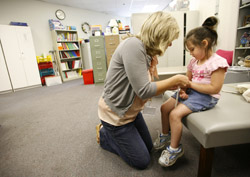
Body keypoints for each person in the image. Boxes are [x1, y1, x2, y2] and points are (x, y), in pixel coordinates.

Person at [96, 11, 190, 170]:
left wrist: (168, 85)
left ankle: (121, 135)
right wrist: (174, 80)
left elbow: (141, 83)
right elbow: (144, 90)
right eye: (169, 40)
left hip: (131, 113)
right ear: (160, 35)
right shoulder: (133, 46)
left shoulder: (147, 52)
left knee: (149, 148)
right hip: (115, 116)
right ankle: (105, 135)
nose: (170, 44)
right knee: (142, 161)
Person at [154, 16, 229, 167]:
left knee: (175, 114)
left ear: (205, 44)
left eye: (192, 49)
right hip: (193, 92)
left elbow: (214, 88)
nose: (191, 53)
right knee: (164, 108)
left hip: (206, 97)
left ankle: (174, 149)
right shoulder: (194, 61)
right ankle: (165, 136)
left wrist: (190, 85)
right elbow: (187, 80)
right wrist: (183, 90)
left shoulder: (217, 63)